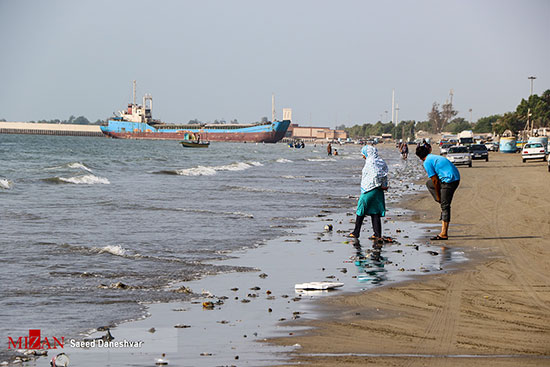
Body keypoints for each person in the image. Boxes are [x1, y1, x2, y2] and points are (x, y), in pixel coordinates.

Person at [415, 145, 460, 240]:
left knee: (445, 206)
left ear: (420, 157)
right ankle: (441, 200)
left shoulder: (427, 162)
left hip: (449, 180)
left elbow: (435, 181)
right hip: (454, 177)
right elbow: (433, 181)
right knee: (429, 183)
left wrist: (438, 195)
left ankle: (444, 233)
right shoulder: (433, 157)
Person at [348, 145, 388, 242]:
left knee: (361, 209)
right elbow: (384, 174)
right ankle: (377, 234)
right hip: (378, 190)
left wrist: (376, 183)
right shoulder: (380, 161)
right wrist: (383, 184)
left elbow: (376, 174)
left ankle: (356, 232)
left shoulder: (371, 162)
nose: (363, 156)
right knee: (375, 212)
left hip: (370, 189)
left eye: (364, 154)